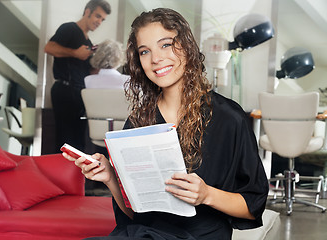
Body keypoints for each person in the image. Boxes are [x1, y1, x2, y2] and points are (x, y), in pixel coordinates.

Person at [63, 8, 269, 240]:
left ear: (187, 46)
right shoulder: (139, 120)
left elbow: (253, 207)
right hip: (143, 234)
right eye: (144, 51)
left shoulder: (229, 118)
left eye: (166, 45)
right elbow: (134, 214)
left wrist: (206, 195)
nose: (156, 59)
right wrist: (110, 177)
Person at [45, 0, 111, 153]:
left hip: (79, 93)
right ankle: (61, 175)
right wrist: (75, 53)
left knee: (78, 143)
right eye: (97, 16)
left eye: (102, 19)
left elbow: (86, 71)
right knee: (66, 140)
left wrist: (100, 63)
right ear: (87, 12)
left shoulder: (88, 41)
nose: (99, 22)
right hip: (65, 90)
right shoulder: (70, 28)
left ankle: (74, 176)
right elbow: (49, 47)